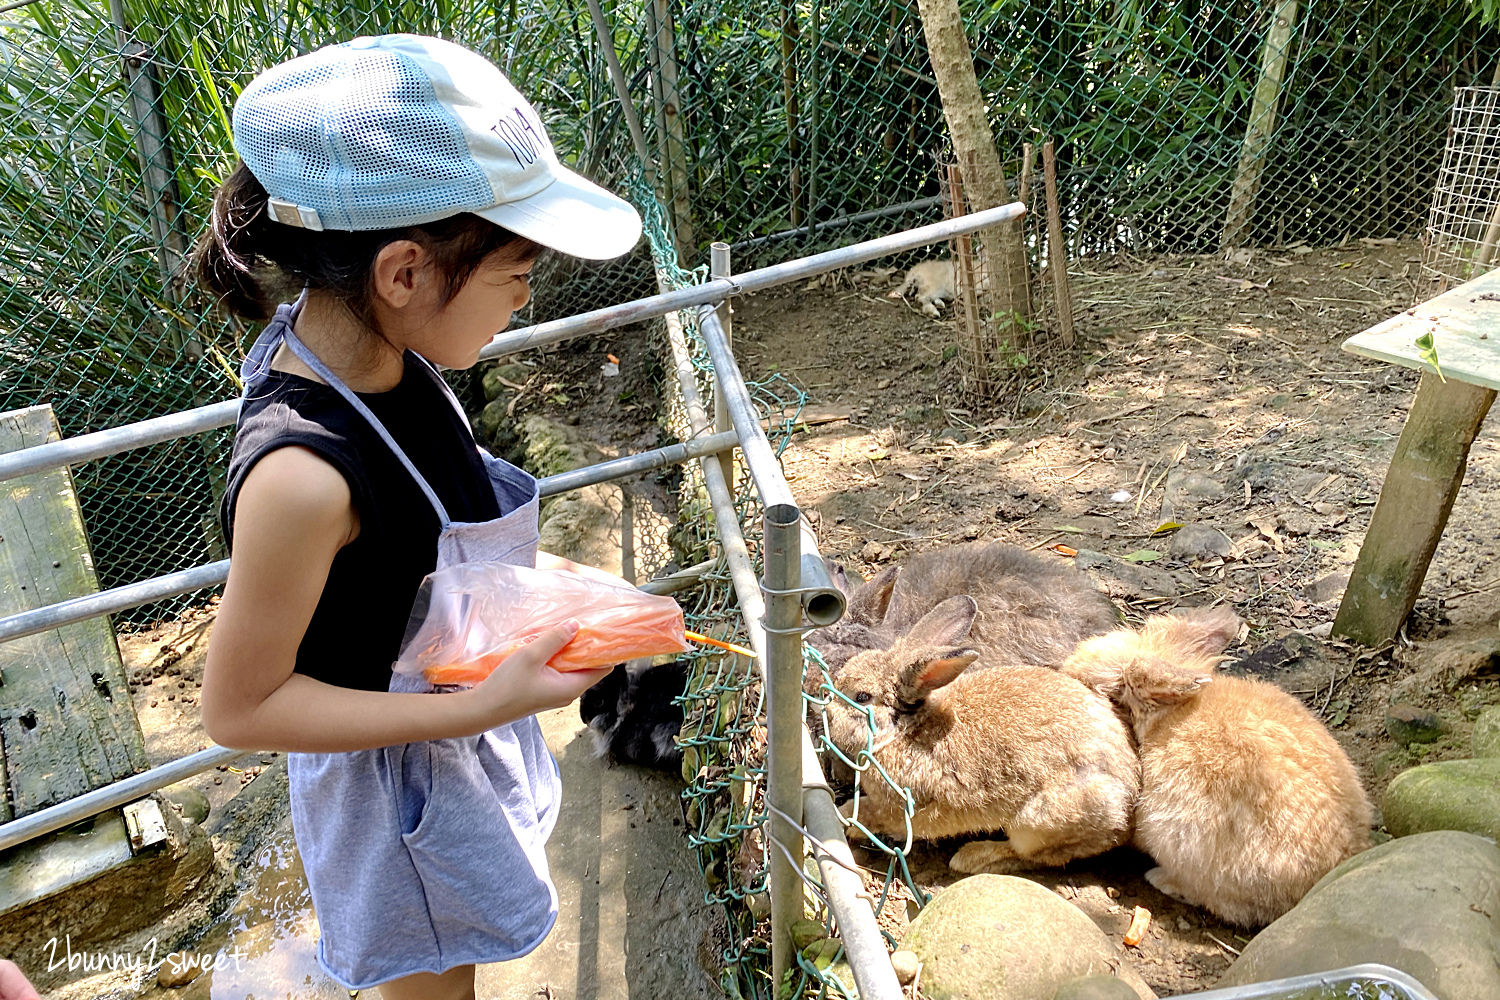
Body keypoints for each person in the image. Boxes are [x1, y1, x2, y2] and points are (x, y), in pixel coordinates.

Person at [196, 35, 642, 1000]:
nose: (521, 307)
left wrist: (534, 596)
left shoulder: (385, 355)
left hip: (451, 739)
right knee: (434, 980)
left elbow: (409, 562)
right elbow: (238, 709)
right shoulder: (302, 479)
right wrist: (485, 705)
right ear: (403, 273)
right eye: (516, 281)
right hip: (396, 793)